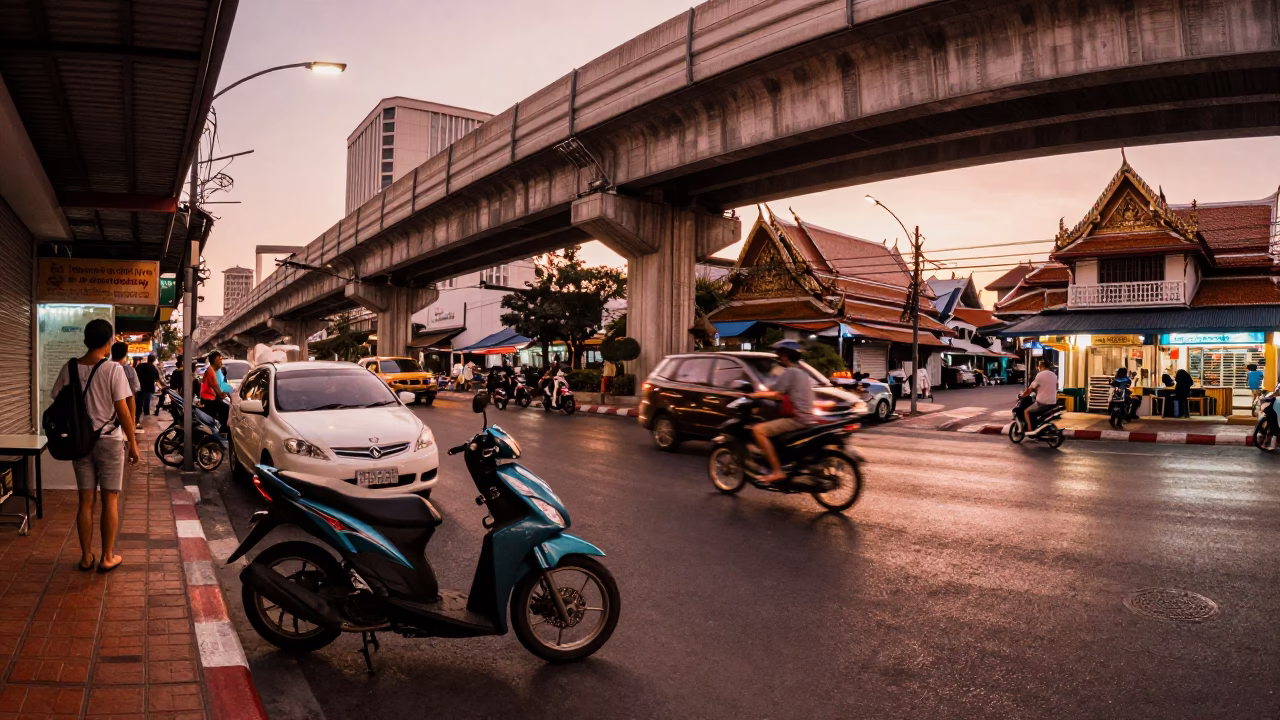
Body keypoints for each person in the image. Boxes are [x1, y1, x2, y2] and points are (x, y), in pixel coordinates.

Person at [52, 319, 139, 573]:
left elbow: (59, 402)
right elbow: (123, 412)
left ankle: (86, 557)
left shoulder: (69, 368)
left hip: (80, 442)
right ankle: (108, 556)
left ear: (85, 340)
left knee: (85, 501)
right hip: (110, 442)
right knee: (110, 499)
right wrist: (132, 443)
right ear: (109, 341)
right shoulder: (113, 369)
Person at [748, 340, 817, 483]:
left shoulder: (790, 372)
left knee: (758, 430)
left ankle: (777, 471)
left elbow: (775, 393)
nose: (777, 357)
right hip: (808, 417)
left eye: (779, 354)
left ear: (785, 355)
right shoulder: (802, 372)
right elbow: (778, 391)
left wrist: (755, 395)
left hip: (797, 419)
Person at [1017, 359, 1058, 435]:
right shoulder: (1054, 375)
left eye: (1038, 366)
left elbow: (1030, 389)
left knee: (1026, 412)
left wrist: (1022, 395)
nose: (1038, 368)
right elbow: (1055, 387)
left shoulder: (1040, 375)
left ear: (1041, 366)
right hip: (1052, 402)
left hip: (1042, 403)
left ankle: (1029, 430)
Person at [111, 343, 141, 434]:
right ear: (125, 353)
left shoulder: (104, 368)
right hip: (125, 409)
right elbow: (133, 391)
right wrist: (133, 421)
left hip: (108, 414)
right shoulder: (129, 370)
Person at [201, 351, 230, 430]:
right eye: (219, 359)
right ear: (214, 361)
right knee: (225, 407)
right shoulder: (210, 371)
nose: (221, 361)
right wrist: (222, 394)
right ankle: (223, 428)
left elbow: (221, 386)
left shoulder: (214, 371)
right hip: (207, 400)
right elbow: (215, 387)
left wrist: (225, 393)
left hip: (210, 398)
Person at [135, 354, 160, 423]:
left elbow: (135, 374)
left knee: (139, 402)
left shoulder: (141, 366)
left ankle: (138, 415)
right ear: (154, 360)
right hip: (149, 387)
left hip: (140, 387)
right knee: (147, 401)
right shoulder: (154, 368)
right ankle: (146, 414)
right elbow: (157, 379)